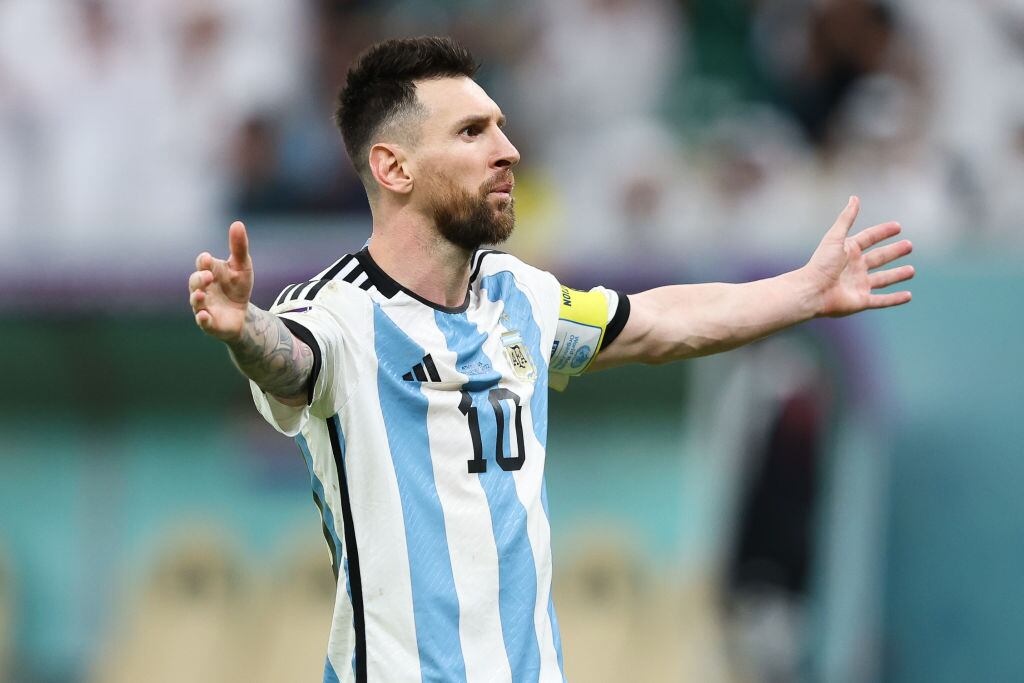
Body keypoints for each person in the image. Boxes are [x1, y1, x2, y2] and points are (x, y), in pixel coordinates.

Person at [186, 36, 913, 683]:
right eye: (473, 131)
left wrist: (801, 292)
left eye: (501, 126)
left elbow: (659, 323)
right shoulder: (335, 313)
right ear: (394, 167)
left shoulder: (520, 299)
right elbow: (288, 359)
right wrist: (242, 329)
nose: (508, 150)